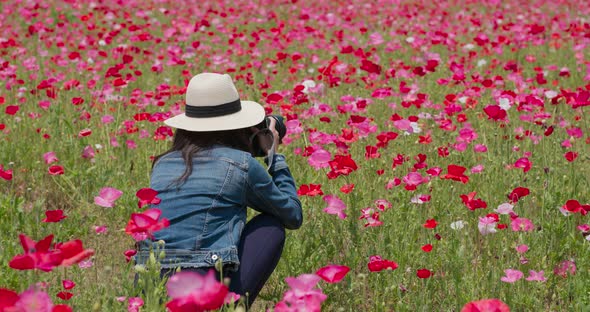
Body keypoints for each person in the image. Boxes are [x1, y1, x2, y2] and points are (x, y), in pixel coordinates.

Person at [135, 73, 303, 306]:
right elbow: (292, 215)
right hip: (202, 286)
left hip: (149, 285)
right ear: (238, 124)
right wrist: (273, 155)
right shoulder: (241, 164)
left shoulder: (163, 164)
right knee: (271, 226)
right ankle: (228, 307)